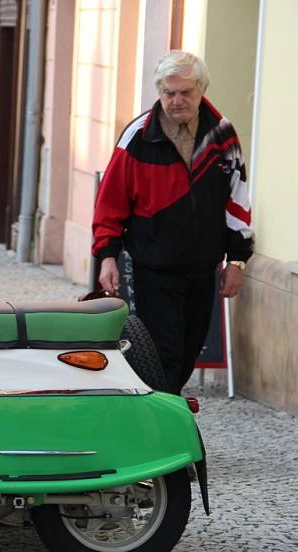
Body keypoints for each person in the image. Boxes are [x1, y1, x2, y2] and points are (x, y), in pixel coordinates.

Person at [92, 50, 253, 395]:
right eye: (169, 92)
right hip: (154, 268)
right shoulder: (138, 136)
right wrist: (107, 254)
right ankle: (161, 429)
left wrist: (236, 260)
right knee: (161, 353)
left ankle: (161, 414)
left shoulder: (222, 136)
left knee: (187, 353)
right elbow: (110, 201)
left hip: (202, 268)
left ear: (201, 91)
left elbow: (237, 202)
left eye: (186, 92)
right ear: (159, 91)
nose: (176, 100)